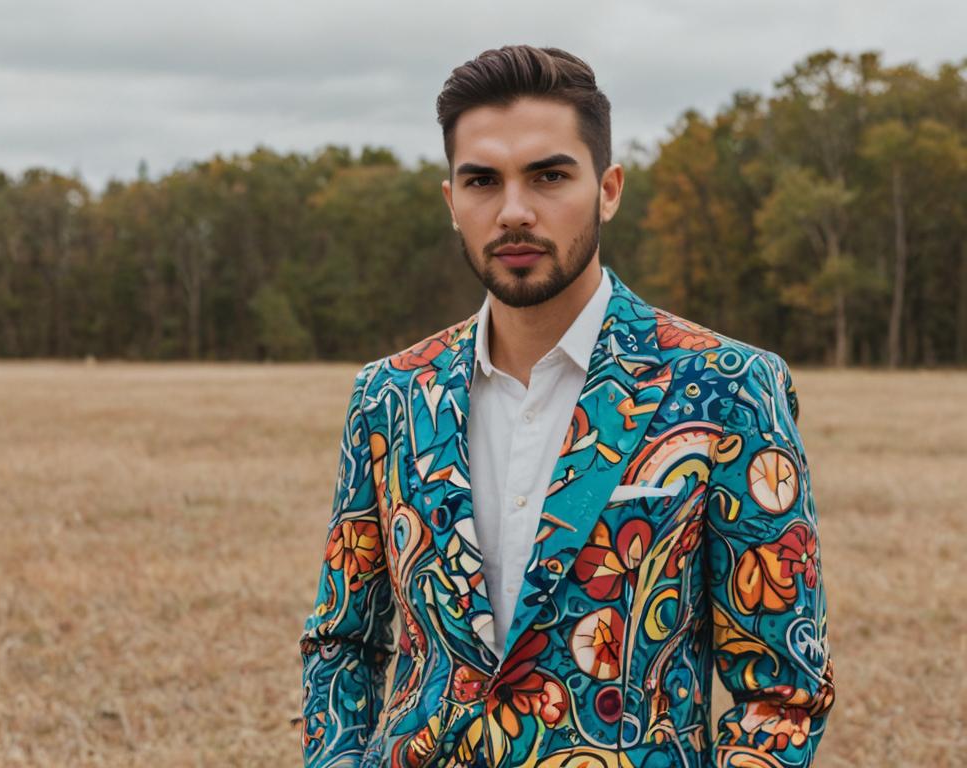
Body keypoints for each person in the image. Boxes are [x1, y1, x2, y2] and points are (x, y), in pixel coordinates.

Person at [299, 44, 835, 768]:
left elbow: (781, 691)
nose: (514, 211)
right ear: (452, 202)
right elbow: (343, 639)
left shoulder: (728, 386)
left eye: (549, 176)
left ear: (608, 189)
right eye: (482, 180)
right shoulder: (390, 395)